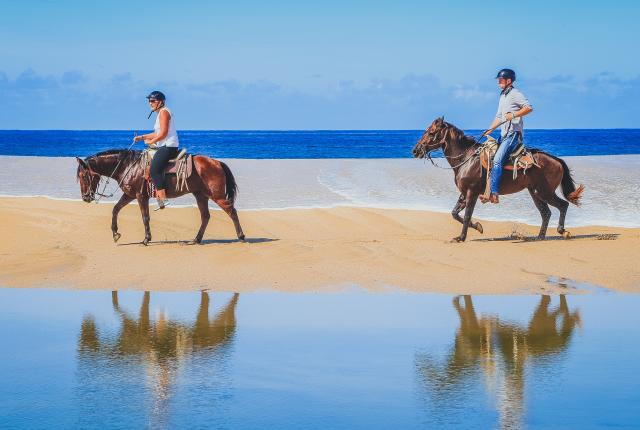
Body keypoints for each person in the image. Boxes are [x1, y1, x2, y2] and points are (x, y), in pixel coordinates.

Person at [480, 69, 533, 204]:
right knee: (488, 155)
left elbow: (529, 108)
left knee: (497, 160)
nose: (499, 83)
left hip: (513, 135)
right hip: (503, 134)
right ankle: (486, 191)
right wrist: (490, 129)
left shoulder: (515, 94)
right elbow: (499, 117)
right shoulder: (503, 96)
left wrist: (514, 115)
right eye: (499, 80)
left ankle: (494, 194)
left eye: (501, 80)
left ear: (508, 81)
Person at [134, 91, 180, 209]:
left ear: (161, 102)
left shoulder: (164, 112)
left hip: (169, 146)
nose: (150, 103)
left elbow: (163, 134)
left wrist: (151, 141)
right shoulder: (160, 113)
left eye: (153, 101)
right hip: (165, 145)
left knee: (154, 170)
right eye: (149, 101)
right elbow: (157, 133)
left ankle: (163, 200)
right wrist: (142, 137)